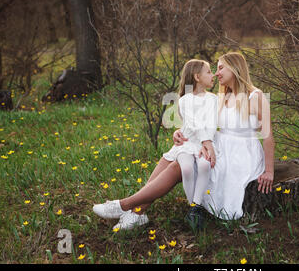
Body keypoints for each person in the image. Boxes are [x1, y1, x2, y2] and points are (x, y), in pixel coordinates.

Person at [92, 59, 218, 230]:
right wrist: (178, 131)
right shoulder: (186, 99)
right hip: (189, 144)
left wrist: (206, 141)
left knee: (175, 167)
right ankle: (138, 213)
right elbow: (192, 122)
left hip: (203, 147)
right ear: (197, 77)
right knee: (161, 170)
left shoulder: (215, 99)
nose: (214, 75)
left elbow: (207, 123)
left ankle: (123, 205)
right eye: (209, 71)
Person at [174, 52, 275, 221]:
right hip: (219, 145)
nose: (216, 73)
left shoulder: (254, 96)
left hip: (243, 152)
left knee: (196, 167)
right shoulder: (222, 97)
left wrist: (269, 171)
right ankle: (137, 206)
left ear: (235, 68)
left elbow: (268, 136)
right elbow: (200, 122)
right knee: (184, 162)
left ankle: (138, 206)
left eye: (220, 68)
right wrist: (178, 131)